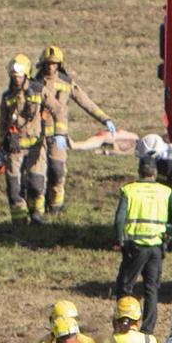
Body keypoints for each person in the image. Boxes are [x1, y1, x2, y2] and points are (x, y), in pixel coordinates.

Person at [31, 44, 115, 218]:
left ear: (60, 64)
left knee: (57, 171)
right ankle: (36, 213)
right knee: (36, 177)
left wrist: (105, 118)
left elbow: (86, 102)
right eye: (47, 63)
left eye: (54, 64)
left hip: (58, 137)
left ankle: (55, 208)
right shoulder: (34, 85)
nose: (50, 67)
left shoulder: (66, 83)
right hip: (37, 138)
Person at [112, 156, 172, 336]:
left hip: (136, 246)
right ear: (155, 172)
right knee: (151, 289)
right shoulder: (165, 191)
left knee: (125, 286)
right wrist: (170, 233)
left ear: (139, 171)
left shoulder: (129, 190)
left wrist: (120, 239)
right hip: (156, 247)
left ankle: (124, 323)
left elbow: (119, 219)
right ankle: (147, 330)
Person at [0, 54, 48, 224]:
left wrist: (56, 133)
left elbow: (55, 109)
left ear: (26, 75)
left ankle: (37, 214)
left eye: (18, 76)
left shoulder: (39, 91)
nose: (16, 80)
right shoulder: (7, 96)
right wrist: (2, 142)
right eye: (13, 77)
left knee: (35, 184)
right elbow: (3, 121)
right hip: (14, 147)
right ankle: (18, 222)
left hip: (36, 147)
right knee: (13, 187)